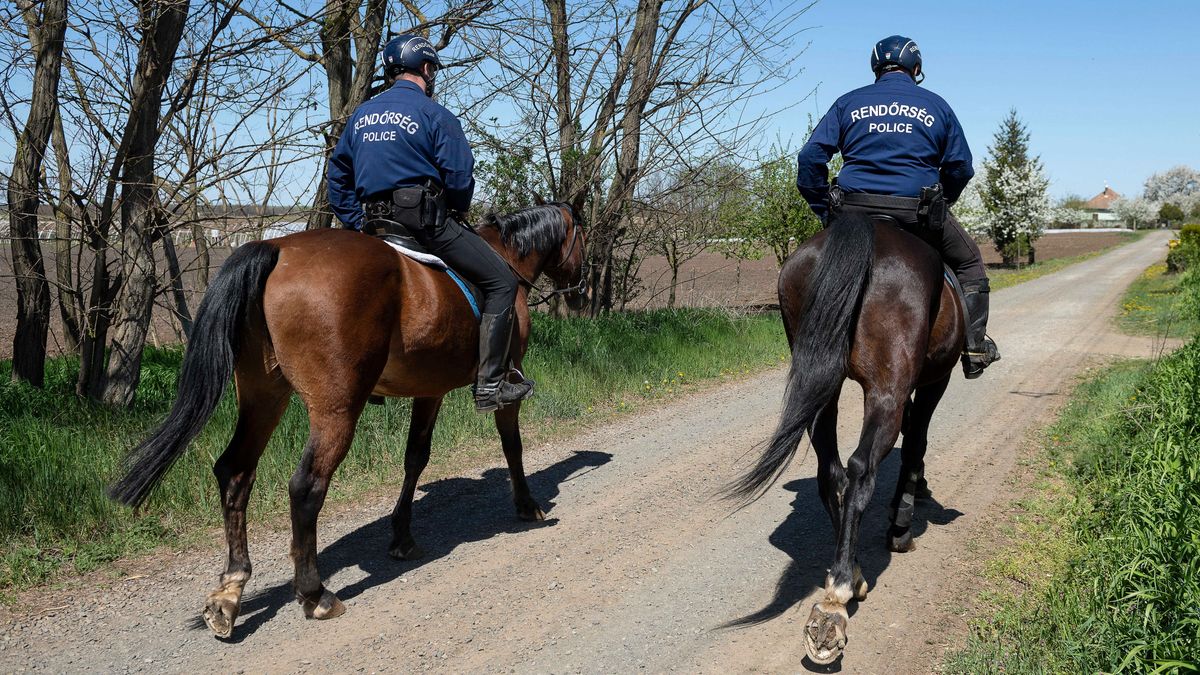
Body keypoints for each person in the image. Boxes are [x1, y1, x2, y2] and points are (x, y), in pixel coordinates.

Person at [326, 34, 534, 411]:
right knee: (503, 280)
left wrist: (355, 220)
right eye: (432, 69)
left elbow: (338, 175)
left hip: (372, 227)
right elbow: (459, 177)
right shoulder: (435, 115)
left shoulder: (360, 116)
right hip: (424, 225)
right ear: (425, 69)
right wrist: (453, 209)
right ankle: (490, 385)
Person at [795, 35, 1000, 379]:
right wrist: (941, 203)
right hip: (914, 213)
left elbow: (810, 157)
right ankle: (975, 349)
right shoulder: (936, 105)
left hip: (853, 212)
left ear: (876, 67)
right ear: (916, 69)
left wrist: (824, 208)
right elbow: (961, 167)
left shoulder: (849, 103)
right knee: (969, 262)